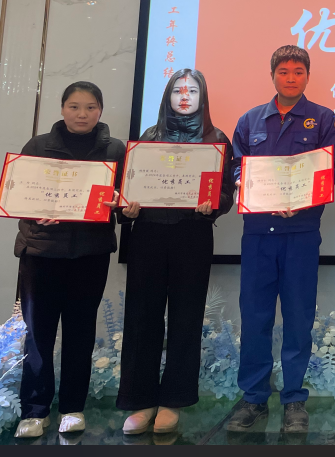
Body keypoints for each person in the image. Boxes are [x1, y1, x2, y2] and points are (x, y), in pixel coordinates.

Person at [225, 45, 335, 434]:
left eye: (298, 72)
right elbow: (237, 167)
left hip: (301, 234)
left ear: (308, 76)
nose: (291, 78)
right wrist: (247, 187)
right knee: (255, 317)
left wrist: (303, 201)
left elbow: (331, 169)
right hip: (259, 235)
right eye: (284, 72)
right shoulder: (250, 120)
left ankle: (294, 401)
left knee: (298, 318)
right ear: (272, 75)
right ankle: (254, 399)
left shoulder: (323, 119)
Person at [116, 69, 236, 435]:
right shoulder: (148, 138)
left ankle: (173, 400)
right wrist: (127, 209)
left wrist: (213, 205)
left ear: (203, 97)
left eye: (193, 90)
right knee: (142, 317)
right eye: (178, 90)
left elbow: (226, 192)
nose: (185, 96)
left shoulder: (216, 139)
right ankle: (140, 399)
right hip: (148, 234)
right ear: (167, 96)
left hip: (191, 236)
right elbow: (127, 188)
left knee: (186, 318)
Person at [13, 82, 126, 438]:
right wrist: (35, 213)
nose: (82, 114)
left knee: (80, 333)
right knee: (38, 334)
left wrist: (123, 204)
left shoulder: (115, 150)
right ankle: (34, 410)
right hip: (42, 253)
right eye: (74, 106)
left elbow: (126, 202)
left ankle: (73, 408)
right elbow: (19, 195)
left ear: (100, 110)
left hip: (89, 254)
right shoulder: (38, 146)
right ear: (62, 108)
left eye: (90, 107)